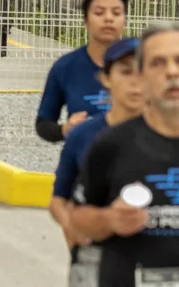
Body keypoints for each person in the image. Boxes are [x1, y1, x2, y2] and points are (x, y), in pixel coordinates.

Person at [69, 22, 179, 287]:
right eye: (158, 63)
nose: (172, 71)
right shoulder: (111, 144)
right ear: (141, 77)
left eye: (178, 60)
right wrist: (108, 220)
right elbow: (79, 220)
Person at [49, 37, 141, 283]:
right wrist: (71, 226)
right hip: (94, 260)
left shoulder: (169, 135)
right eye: (125, 71)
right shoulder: (84, 136)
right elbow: (59, 199)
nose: (135, 82)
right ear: (106, 78)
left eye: (143, 71)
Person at [36, 0, 128, 143]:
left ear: (125, 19)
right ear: (86, 20)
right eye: (99, 12)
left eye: (116, 13)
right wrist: (65, 129)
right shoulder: (65, 67)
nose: (108, 18)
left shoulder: (145, 65)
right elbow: (43, 123)